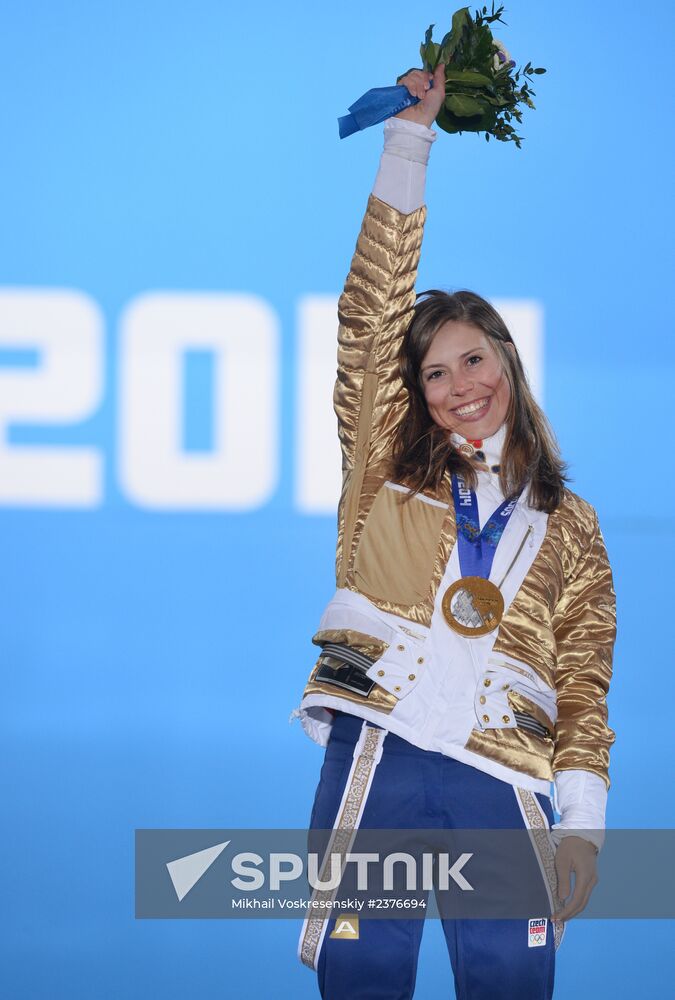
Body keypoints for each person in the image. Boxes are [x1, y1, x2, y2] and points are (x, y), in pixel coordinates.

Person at [292, 62, 616, 1000]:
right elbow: (371, 318)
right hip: (380, 752)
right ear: (415, 395)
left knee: (512, 988)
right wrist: (409, 142)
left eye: (473, 358)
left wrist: (582, 823)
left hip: (501, 776)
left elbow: (584, 680)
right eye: (433, 372)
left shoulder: (571, 524)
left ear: (507, 363)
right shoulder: (384, 468)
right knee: (363, 981)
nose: (458, 383)